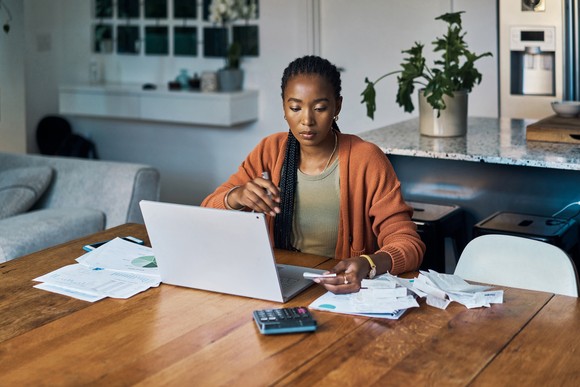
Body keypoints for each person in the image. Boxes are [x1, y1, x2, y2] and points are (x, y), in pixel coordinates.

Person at [201, 55, 425, 294]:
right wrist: (236, 197)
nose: (306, 120)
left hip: (342, 291)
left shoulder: (366, 159)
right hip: (281, 285)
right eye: (295, 108)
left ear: (337, 106)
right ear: (284, 107)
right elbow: (206, 214)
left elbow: (409, 244)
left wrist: (368, 264)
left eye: (319, 108)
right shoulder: (269, 151)